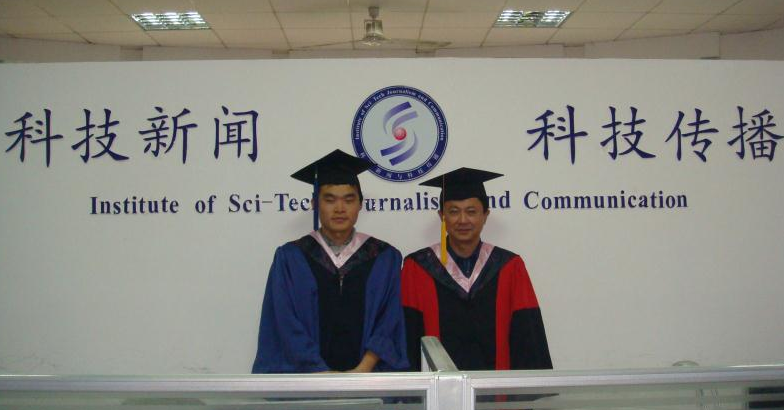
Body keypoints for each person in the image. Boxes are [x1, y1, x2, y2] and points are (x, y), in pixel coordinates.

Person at [252, 149, 408, 373]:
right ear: (315, 204)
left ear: (360, 204)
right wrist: (321, 373)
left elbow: (389, 319)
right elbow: (284, 322)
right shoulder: (290, 258)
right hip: (307, 383)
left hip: (368, 381)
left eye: (349, 200)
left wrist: (362, 371)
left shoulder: (384, 257)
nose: (340, 209)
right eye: (329, 199)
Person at [400, 167, 552, 371]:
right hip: (437, 389)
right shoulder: (417, 267)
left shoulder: (509, 266)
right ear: (442, 216)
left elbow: (528, 339)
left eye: (471, 211)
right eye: (453, 211)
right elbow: (407, 339)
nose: (463, 220)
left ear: (485, 215)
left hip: (497, 388)